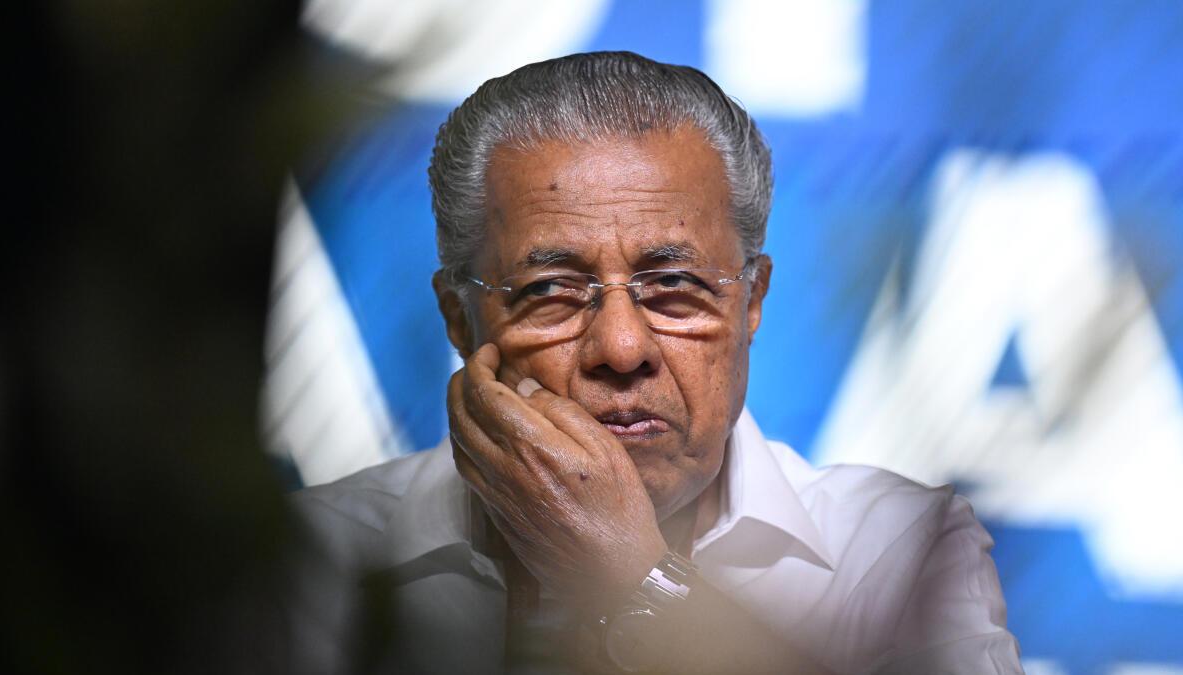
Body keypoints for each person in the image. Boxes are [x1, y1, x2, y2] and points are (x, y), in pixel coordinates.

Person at [283, 51, 1022, 674]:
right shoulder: (313, 562)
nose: (622, 349)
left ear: (752, 302)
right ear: (458, 317)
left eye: (674, 288)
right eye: (550, 292)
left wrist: (634, 578)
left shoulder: (895, 551)